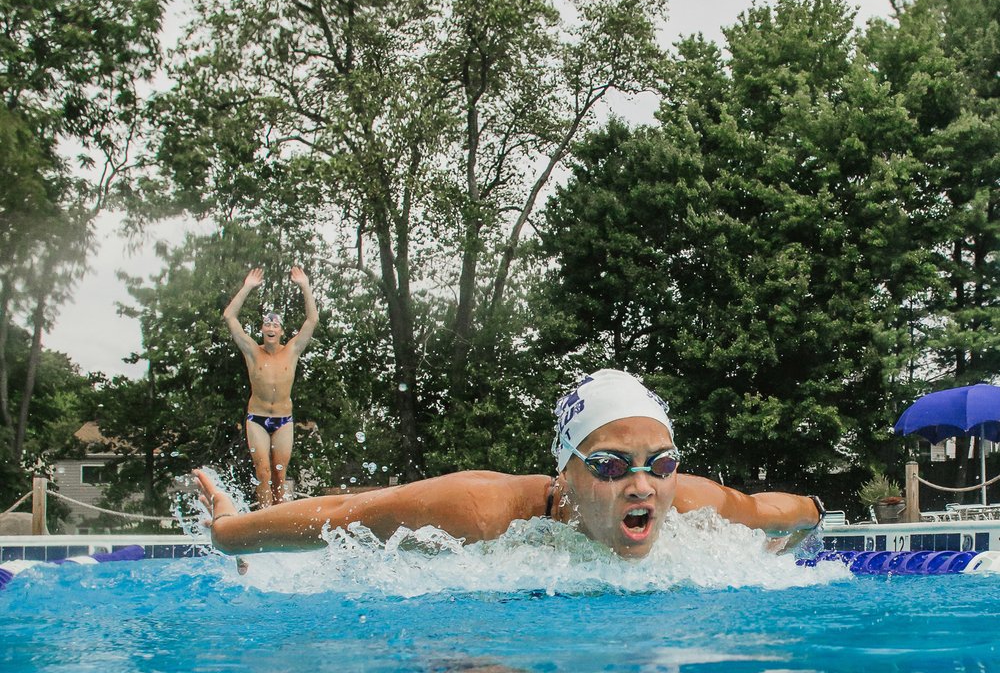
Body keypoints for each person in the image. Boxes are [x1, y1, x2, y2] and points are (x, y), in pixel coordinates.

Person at [196, 368, 823, 558]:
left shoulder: (685, 499)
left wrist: (795, 534)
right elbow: (344, 515)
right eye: (610, 466)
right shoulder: (480, 511)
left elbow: (781, 511)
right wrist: (228, 534)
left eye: (660, 463)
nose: (643, 484)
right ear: (566, 473)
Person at [223, 265, 319, 507]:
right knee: (263, 472)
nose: (271, 328)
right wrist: (247, 287)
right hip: (257, 418)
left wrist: (305, 285)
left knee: (279, 475)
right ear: (262, 330)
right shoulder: (253, 352)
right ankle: (263, 519)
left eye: (275, 325)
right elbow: (229, 317)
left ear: (282, 332)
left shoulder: (292, 350)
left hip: (284, 420)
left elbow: (312, 319)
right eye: (267, 325)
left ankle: (278, 519)